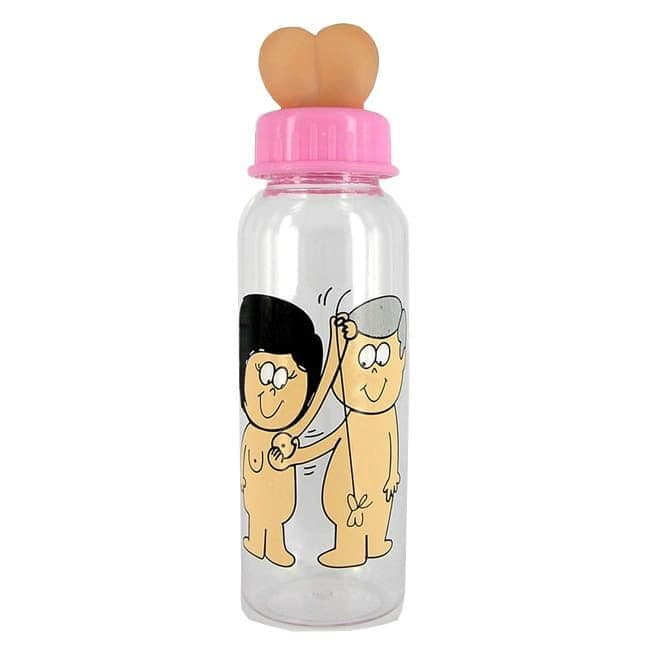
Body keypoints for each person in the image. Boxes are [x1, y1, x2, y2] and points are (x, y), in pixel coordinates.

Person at [269, 296, 406, 568]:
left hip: (378, 492)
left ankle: (375, 544)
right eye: (364, 359)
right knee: (349, 519)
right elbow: (326, 443)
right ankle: (350, 549)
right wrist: (294, 458)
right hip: (349, 499)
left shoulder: (386, 416)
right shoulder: (352, 423)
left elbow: (393, 443)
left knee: (377, 516)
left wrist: (392, 474)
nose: (374, 369)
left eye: (383, 357)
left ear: (401, 360)